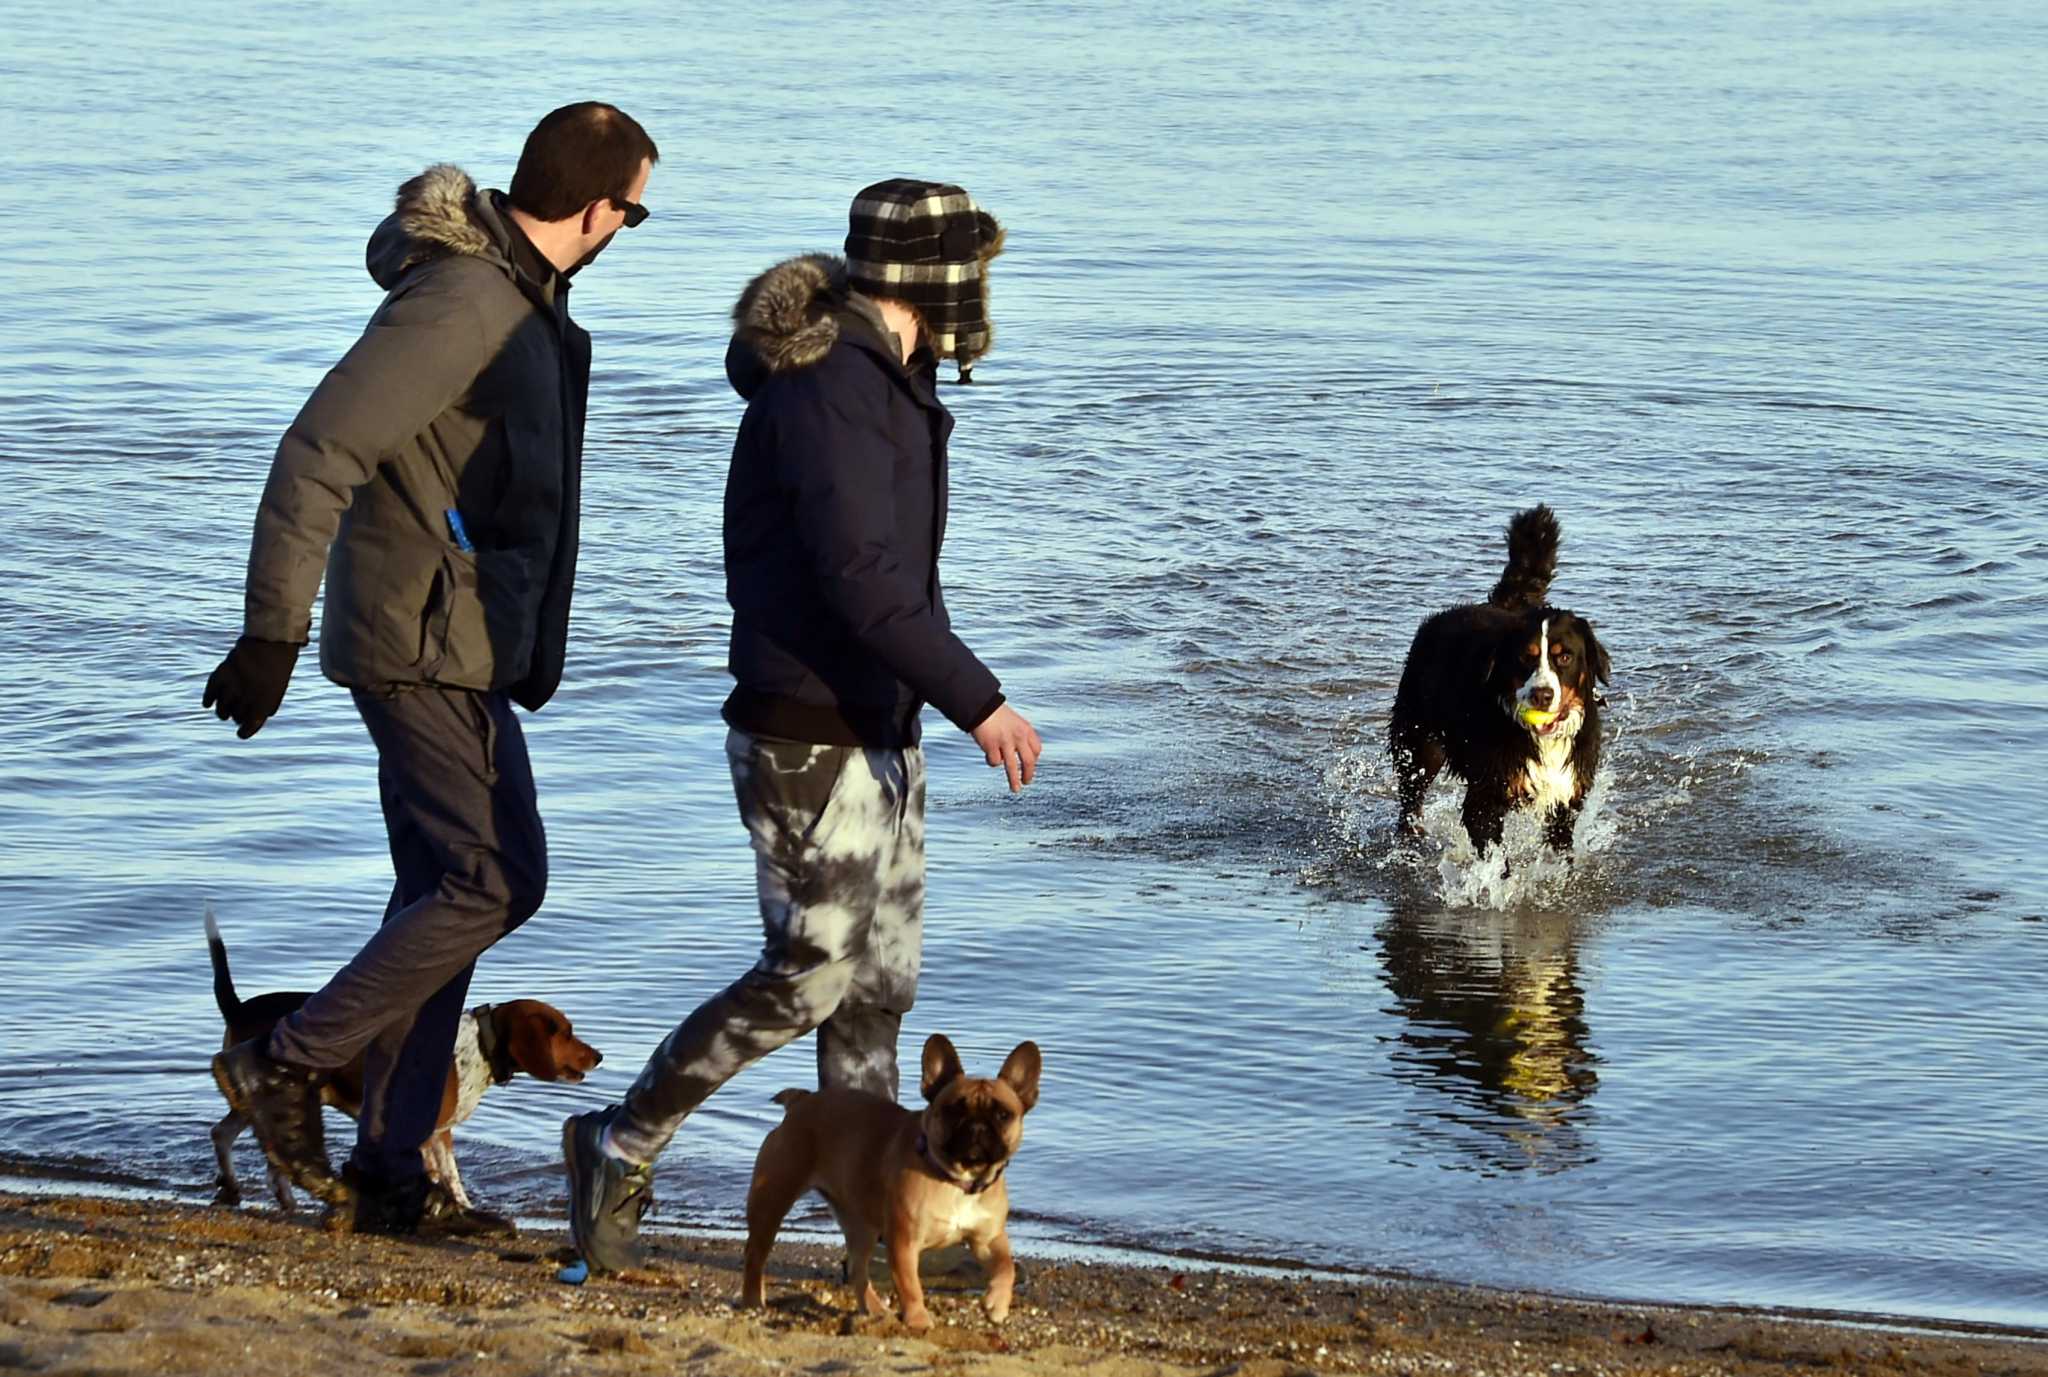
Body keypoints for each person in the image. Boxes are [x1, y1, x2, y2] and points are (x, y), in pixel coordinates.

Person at [561, 178, 1042, 1273]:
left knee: (877, 994)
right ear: (936, 278)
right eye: (973, 273)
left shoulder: (890, 376)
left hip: (879, 726)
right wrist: (982, 701)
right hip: (805, 734)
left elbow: (896, 587)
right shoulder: (830, 384)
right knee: (812, 974)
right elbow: (858, 578)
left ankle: (874, 1247)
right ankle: (618, 1140)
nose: (983, 297)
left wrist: (931, 701)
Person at [203, 102, 659, 1237]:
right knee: (492, 880)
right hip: (419, 645)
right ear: (599, 208)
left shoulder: (519, 301)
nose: (627, 232)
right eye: (636, 213)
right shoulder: (464, 303)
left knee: (445, 898)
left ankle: (392, 1179)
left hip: (461, 640)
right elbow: (319, 448)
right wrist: (274, 631)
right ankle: (288, 1058)